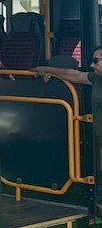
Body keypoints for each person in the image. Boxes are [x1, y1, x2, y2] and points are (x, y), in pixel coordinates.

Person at [34, 47, 102, 178]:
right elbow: (74, 75)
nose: (92, 65)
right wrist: (47, 70)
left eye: (96, 61)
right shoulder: (96, 79)